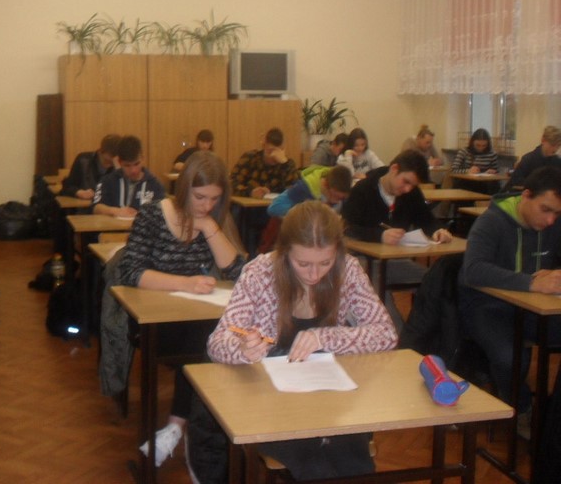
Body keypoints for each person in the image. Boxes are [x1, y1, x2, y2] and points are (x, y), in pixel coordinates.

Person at [205, 201, 397, 480]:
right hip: (271, 404)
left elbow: (386, 334)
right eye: (303, 263)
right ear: (284, 252)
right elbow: (217, 342)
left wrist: (324, 336)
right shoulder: (259, 273)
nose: (314, 274)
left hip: (331, 398)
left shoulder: (348, 270)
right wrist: (243, 348)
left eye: (325, 263)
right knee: (314, 466)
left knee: (357, 467)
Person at [118, 151, 246, 467]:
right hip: (152, 322)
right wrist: (185, 283)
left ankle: (179, 428)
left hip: (195, 318)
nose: (206, 205)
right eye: (200, 197)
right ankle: (188, 429)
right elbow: (131, 272)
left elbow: (239, 272)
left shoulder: (214, 218)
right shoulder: (152, 216)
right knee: (206, 343)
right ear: (184, 188)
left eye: (214, 199)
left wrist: (210, 227)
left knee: (214, 338)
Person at [458, 166, 561, 438]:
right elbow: (473, 271)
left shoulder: (554, 223)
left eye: (557, 213)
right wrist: (530, 282)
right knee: (510, 357)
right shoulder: (492, 222)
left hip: (534, 308)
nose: (551, 220)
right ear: (526, 196)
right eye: (545, 209)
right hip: (486, 306)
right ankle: (522, 409)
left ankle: (554, 418)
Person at [341, 150, 452, 328]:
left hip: (395, 260)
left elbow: (426, 219)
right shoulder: (363, 190)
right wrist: (379, 235)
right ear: (394, 169)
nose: (407, 189)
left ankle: (423, 333)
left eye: (412, 185)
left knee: (435, 282)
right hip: (363, 261)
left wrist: (438, 231)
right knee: (378, 299)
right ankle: (396, 338)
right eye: (405, 182)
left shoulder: (411, 194)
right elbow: (348, 228)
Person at [92, 135, 166, 218]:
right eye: (127, 165)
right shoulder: (108, 181)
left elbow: (163, 212)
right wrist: (116, 211)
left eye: (136, 164)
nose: (133, 170)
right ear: (119, 162)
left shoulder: (155, 184)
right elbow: (96, 208)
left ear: (142, 158)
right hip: (113, 225)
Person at [230, 127, 297, 198]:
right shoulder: (250, 158)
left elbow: (296, 192)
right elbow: (230, 184)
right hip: (251, 204)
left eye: (279, 151)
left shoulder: (288, 164)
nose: (274, 155)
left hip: (277, 204)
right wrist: (250, 192)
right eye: (270, 151)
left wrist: (285, 164)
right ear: (263, 146)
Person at [268, 165, 353, 218]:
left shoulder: (341, 190)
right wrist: (307, 212)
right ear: (325, 184)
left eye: (341, 198)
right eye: (335, 197)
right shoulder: (303, 188)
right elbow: (274, 208)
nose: (336, 202)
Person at [60, 133, 120, 200]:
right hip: (84, 205)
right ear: (100, 151)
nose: (110, 165)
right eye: (107, 161)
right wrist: (79, 192)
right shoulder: (83, 160)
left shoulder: (119, 165)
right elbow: (67, 187)